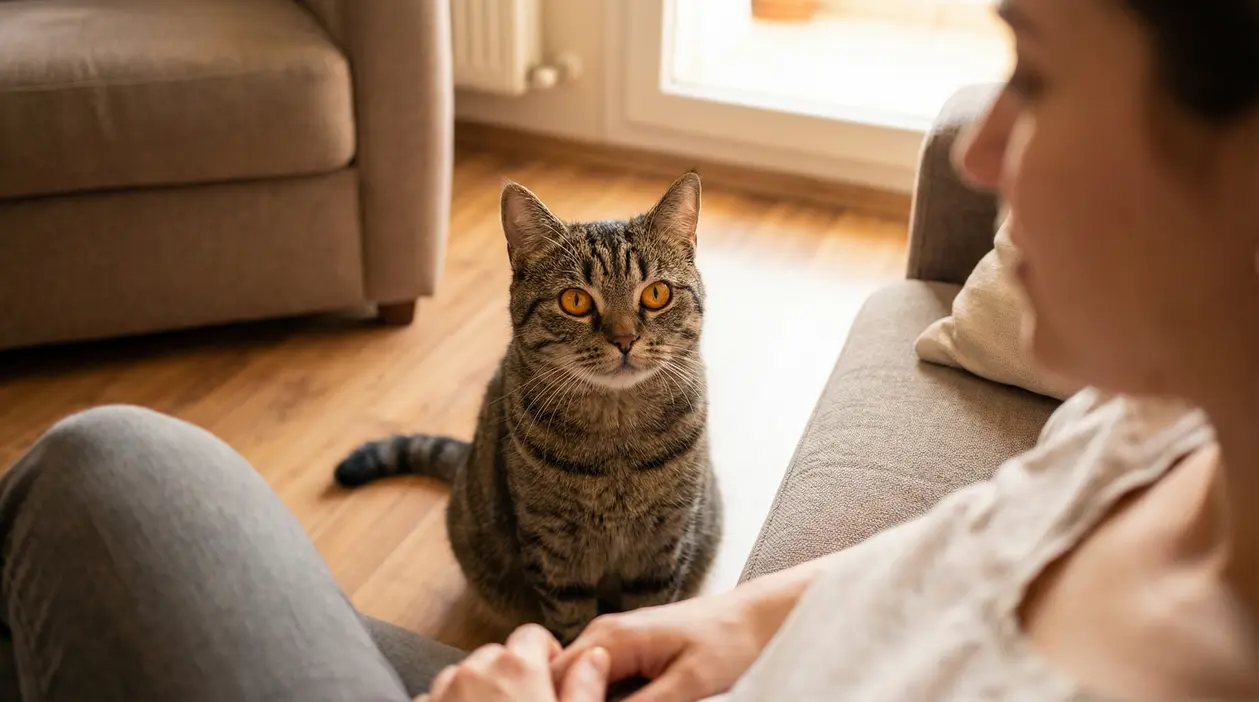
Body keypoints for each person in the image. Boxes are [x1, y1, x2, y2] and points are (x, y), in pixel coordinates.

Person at [2, 0, 1257, 699]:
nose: (974, 154)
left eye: (1035, 73)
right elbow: (981, 538)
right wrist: (744, 620)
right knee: (109, 475)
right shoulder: (1155, 425)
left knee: (99, 478)